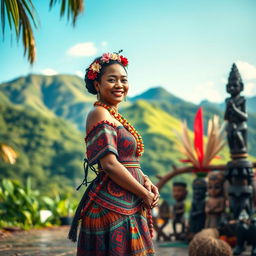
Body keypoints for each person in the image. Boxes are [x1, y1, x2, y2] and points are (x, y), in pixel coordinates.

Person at [68, 51, 160, 256]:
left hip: (130, 200)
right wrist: (143, 193)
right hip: (112, 206)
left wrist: (145, 180)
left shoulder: (115, 116)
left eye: (123, 80)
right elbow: (109, 164)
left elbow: (127, 160)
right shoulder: (99, 113)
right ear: (97, 85)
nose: (119, 85)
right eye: (111, 79)